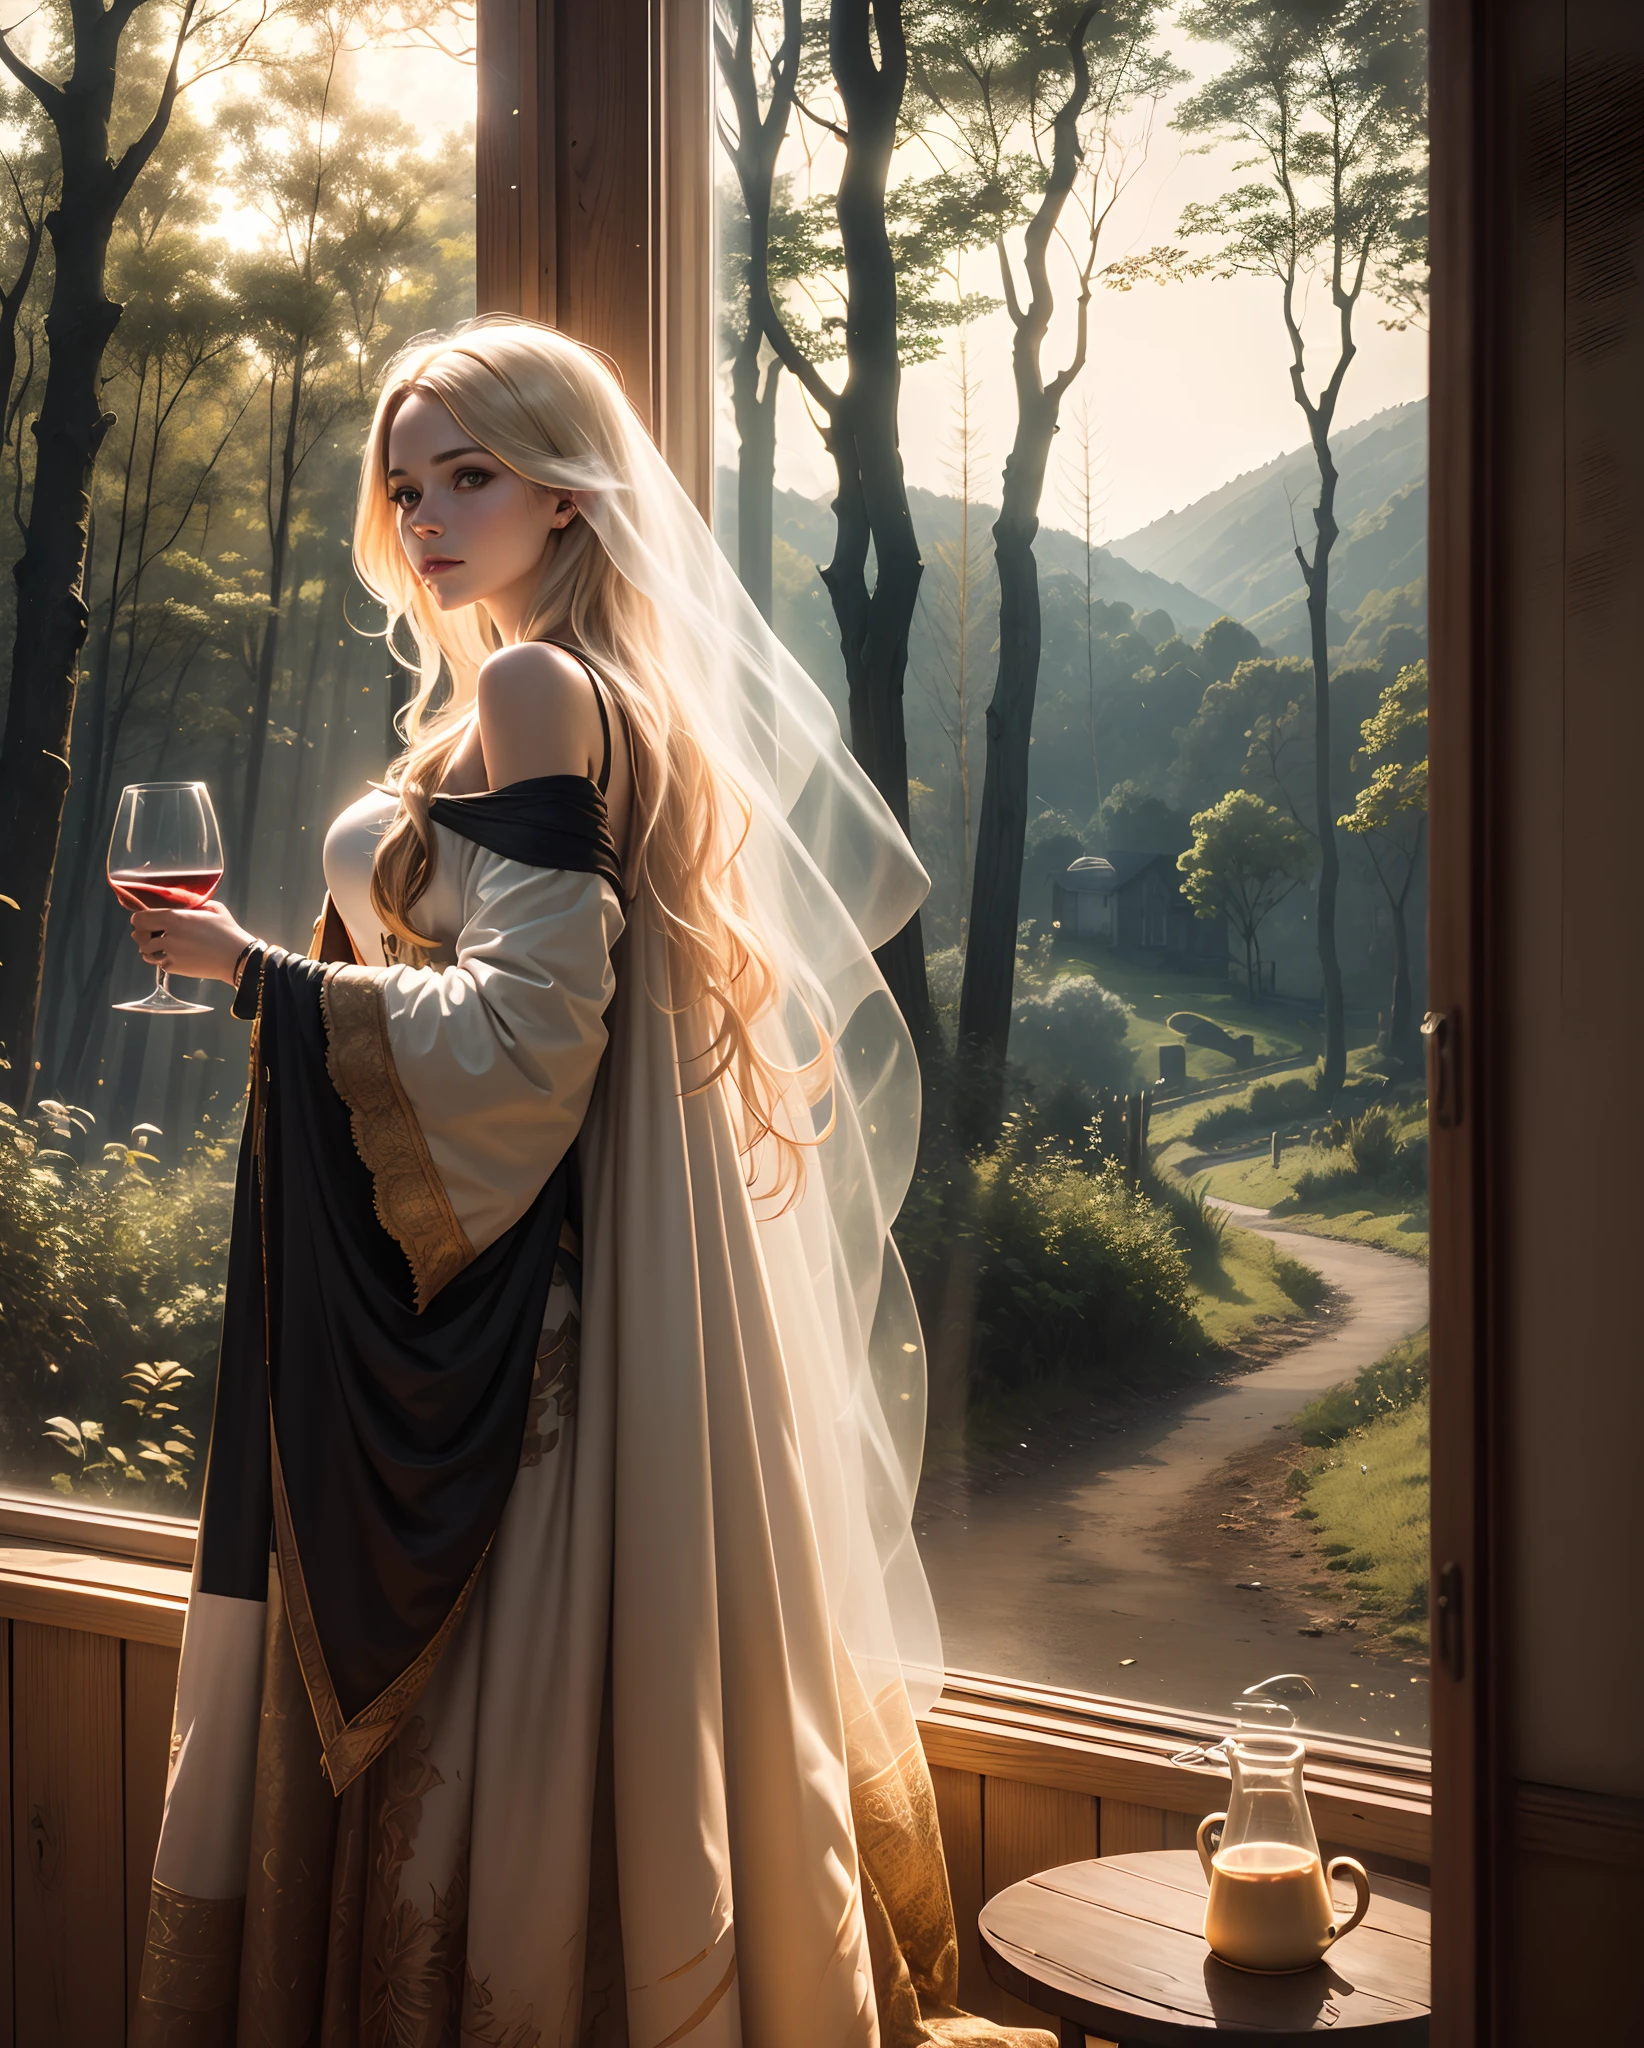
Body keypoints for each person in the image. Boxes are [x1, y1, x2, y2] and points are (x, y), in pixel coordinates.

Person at [125, 317, 1050, 2048]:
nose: (427, 514)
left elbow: (536, 1033)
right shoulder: (574, 693)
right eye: (406, 486)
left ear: (565, 492)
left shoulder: (534, 692)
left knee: (514, 1737)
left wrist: (256, 974)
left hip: (525, 1327)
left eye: (470, 474)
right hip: (575, 1291)